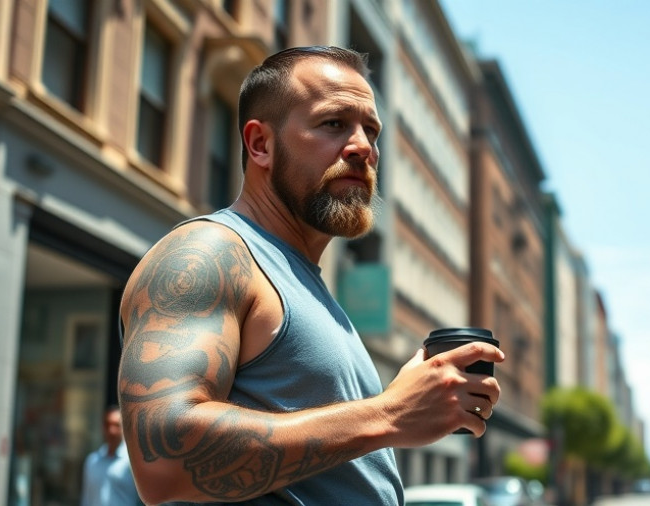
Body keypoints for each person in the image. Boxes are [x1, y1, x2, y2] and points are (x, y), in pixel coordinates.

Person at [117, 45, 504, 505]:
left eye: (372, 131)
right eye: (333, 124)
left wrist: (395, 409)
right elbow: (164, 462)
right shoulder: (208, 251)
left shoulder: (311, 287)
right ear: (261, 144)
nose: (364, 147)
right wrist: (389, 414)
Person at [79, 405, 141, 506]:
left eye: (116, 425)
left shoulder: (134, 462)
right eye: (107, 425)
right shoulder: (92, 461)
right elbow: (86, 498)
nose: (111, 431)